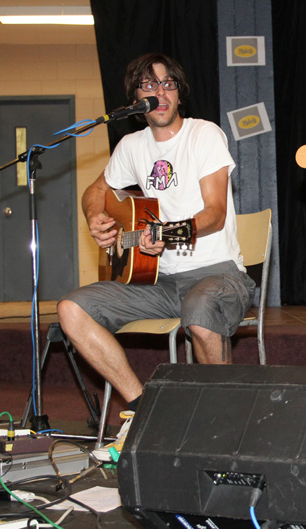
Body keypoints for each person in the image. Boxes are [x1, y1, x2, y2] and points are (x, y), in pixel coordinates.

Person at [58, 53, 256, 456]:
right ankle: (145, 410)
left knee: (199, 311)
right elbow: (95, 191)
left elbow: (215, 215)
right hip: (159, 282)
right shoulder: (132, 146)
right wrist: (96, 216)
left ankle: (224, 425)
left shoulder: (204, 135)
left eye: (167, 84)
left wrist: (165, 232)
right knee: (70, 310)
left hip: (217, 274)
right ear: (136, 98)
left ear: (179, 94)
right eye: (148, 86)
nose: (159, 93)